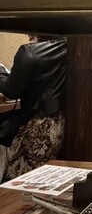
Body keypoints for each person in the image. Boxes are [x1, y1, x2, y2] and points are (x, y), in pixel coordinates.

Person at [0, 36, 67, 180]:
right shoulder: (66, 45)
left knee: (15, 179)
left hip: (37, 124)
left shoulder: (29, 52)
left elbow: (11, 90)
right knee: (40, 178)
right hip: (57, 121)